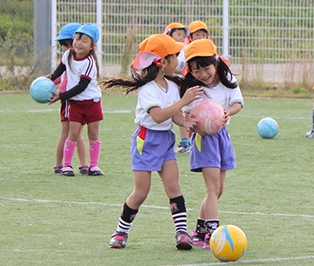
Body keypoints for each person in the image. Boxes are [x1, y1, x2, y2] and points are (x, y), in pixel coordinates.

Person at [101, 34, 203, 250]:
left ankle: (182, 232)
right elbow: (158, 116)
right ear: (162, 62)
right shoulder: (148, 90)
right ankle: (121, 231)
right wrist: (184, 102)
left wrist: (187, 120)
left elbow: (174, 116)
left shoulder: (172, 86)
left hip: (166, 139)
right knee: (141, 192)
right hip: (146, 141)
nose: (178, 60)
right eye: (174, 56)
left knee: (173, 186)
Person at [181, 39, 244, 250]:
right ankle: (213, 233)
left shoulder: (227, 79)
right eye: (195, 70)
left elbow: (237, 102)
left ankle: (199, 231)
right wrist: (191, 123)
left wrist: (228, 112)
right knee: (212, 188)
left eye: (205, 68)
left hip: (222, 137)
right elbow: (186, 114)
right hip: (204, 140)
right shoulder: (193, 89)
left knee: (218, 190)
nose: (202, 74)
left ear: (215, 62)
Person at [48, 23, 104, 176]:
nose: (79, 42)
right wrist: (51, 78)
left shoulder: (89, 63)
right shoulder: (68, 55)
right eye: (77, 38)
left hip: (92, 102)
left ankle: (93, 166)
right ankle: (66, 166)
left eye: (85, 40)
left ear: (92, 46)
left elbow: (82, 86)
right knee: (72, 134)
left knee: (93, 134)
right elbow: (61, 69)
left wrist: (62, 95)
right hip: (75, 103)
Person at [52, 23, 88, 175]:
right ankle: (61, 164)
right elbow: (60, 75)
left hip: (78, 99)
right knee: (68, 132)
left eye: (67, 44)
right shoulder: (68, 58)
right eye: (63, 45)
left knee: (76, 132)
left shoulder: (83, 60)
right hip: (68, 99)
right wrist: (49, 82)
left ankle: (83, 164)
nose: (66, 48)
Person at [164, 22, 191, 153]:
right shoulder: (165, 51)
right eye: (178, 34)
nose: (181, 37)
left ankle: (185, 141)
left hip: (181, 86)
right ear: (169, 34)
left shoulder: (186, 50)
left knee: (180, 111)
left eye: (183, 35)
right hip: (168, 86)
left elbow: (187, 69)